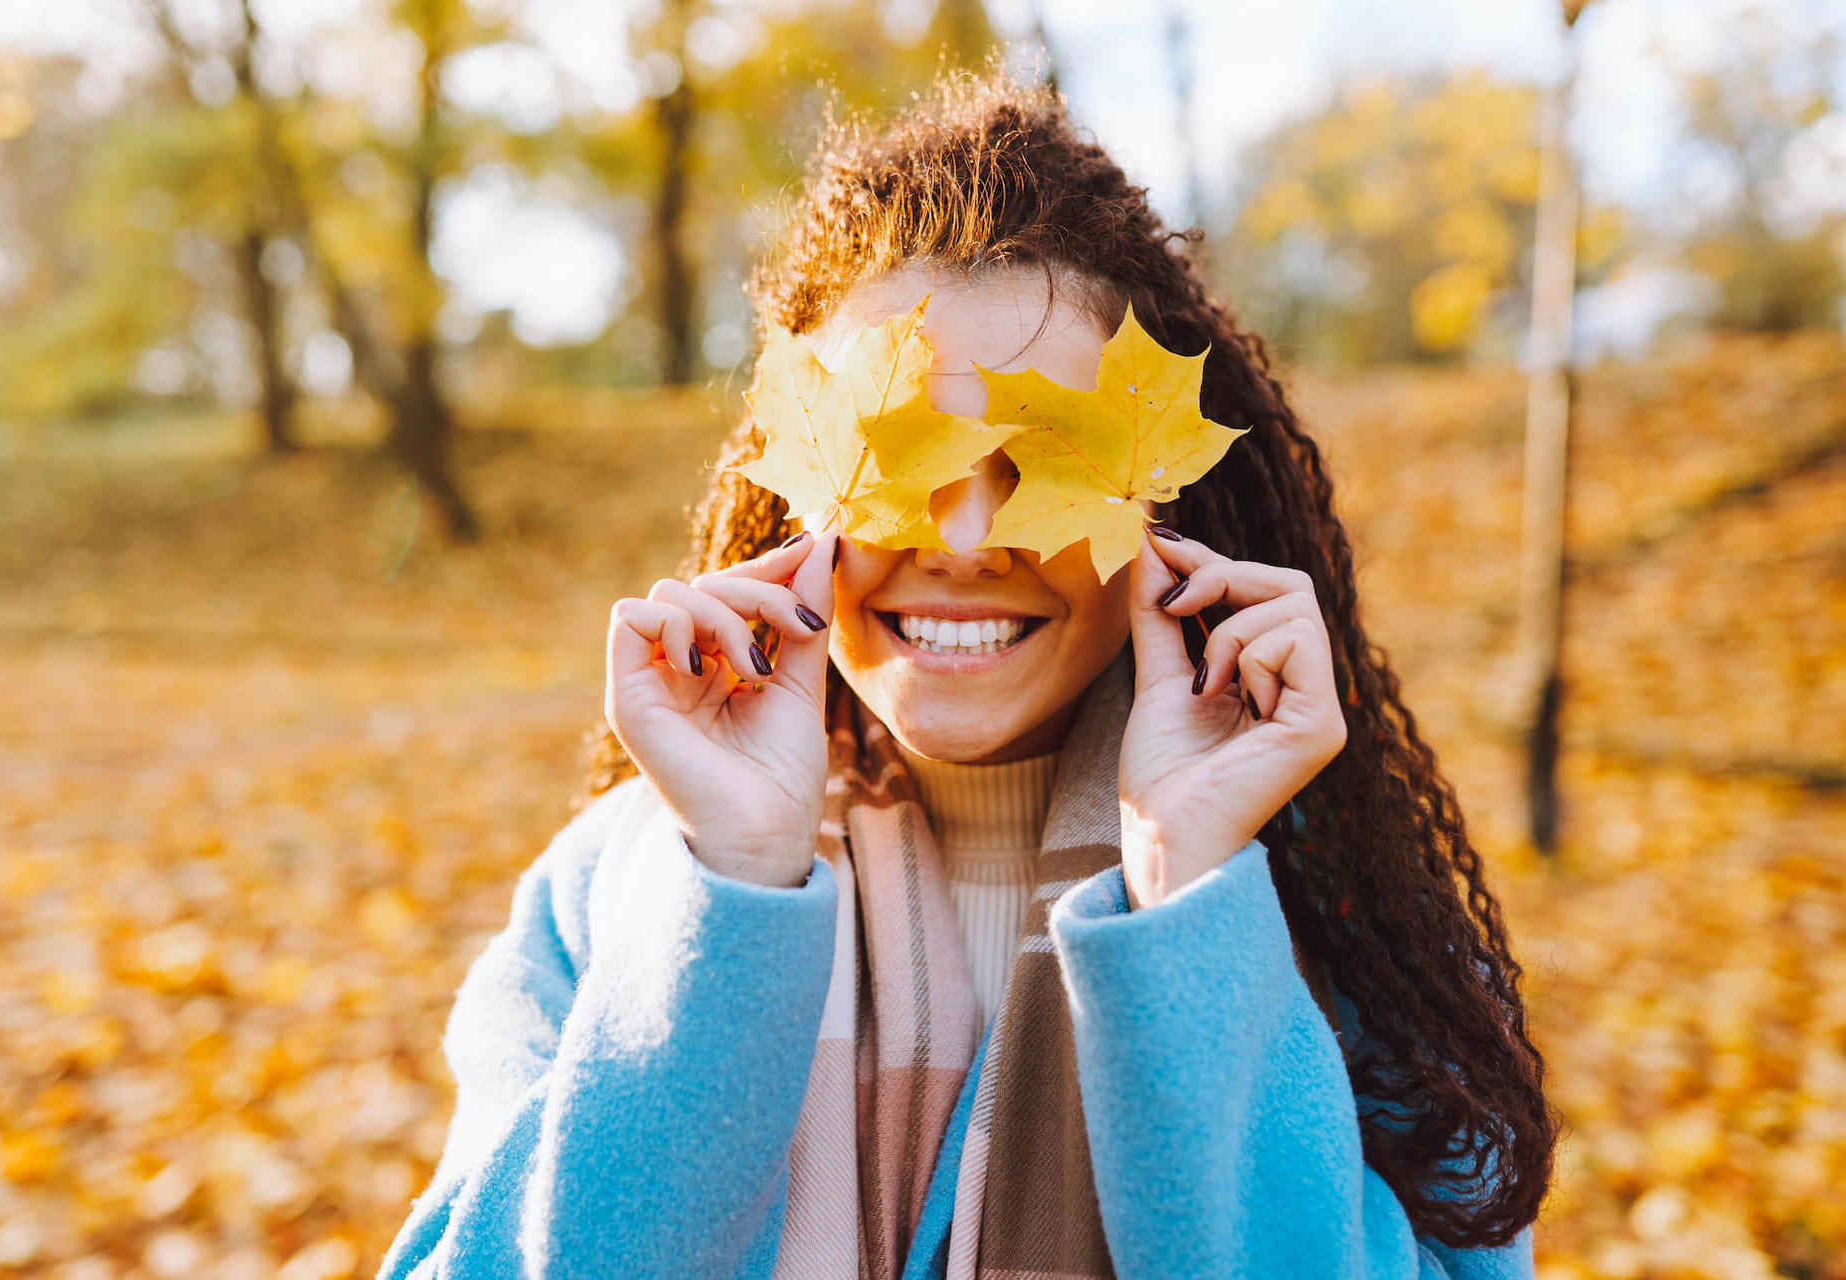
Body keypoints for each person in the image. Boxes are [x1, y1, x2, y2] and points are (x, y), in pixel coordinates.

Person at [378, 70, 1555, 1280]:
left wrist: (1193, 900)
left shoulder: (1341, 912)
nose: (958, 538)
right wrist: (728, 900)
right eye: (891, 456)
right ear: (791, 473)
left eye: (1047, 458)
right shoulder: (617, 888)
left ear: (1164, 494)